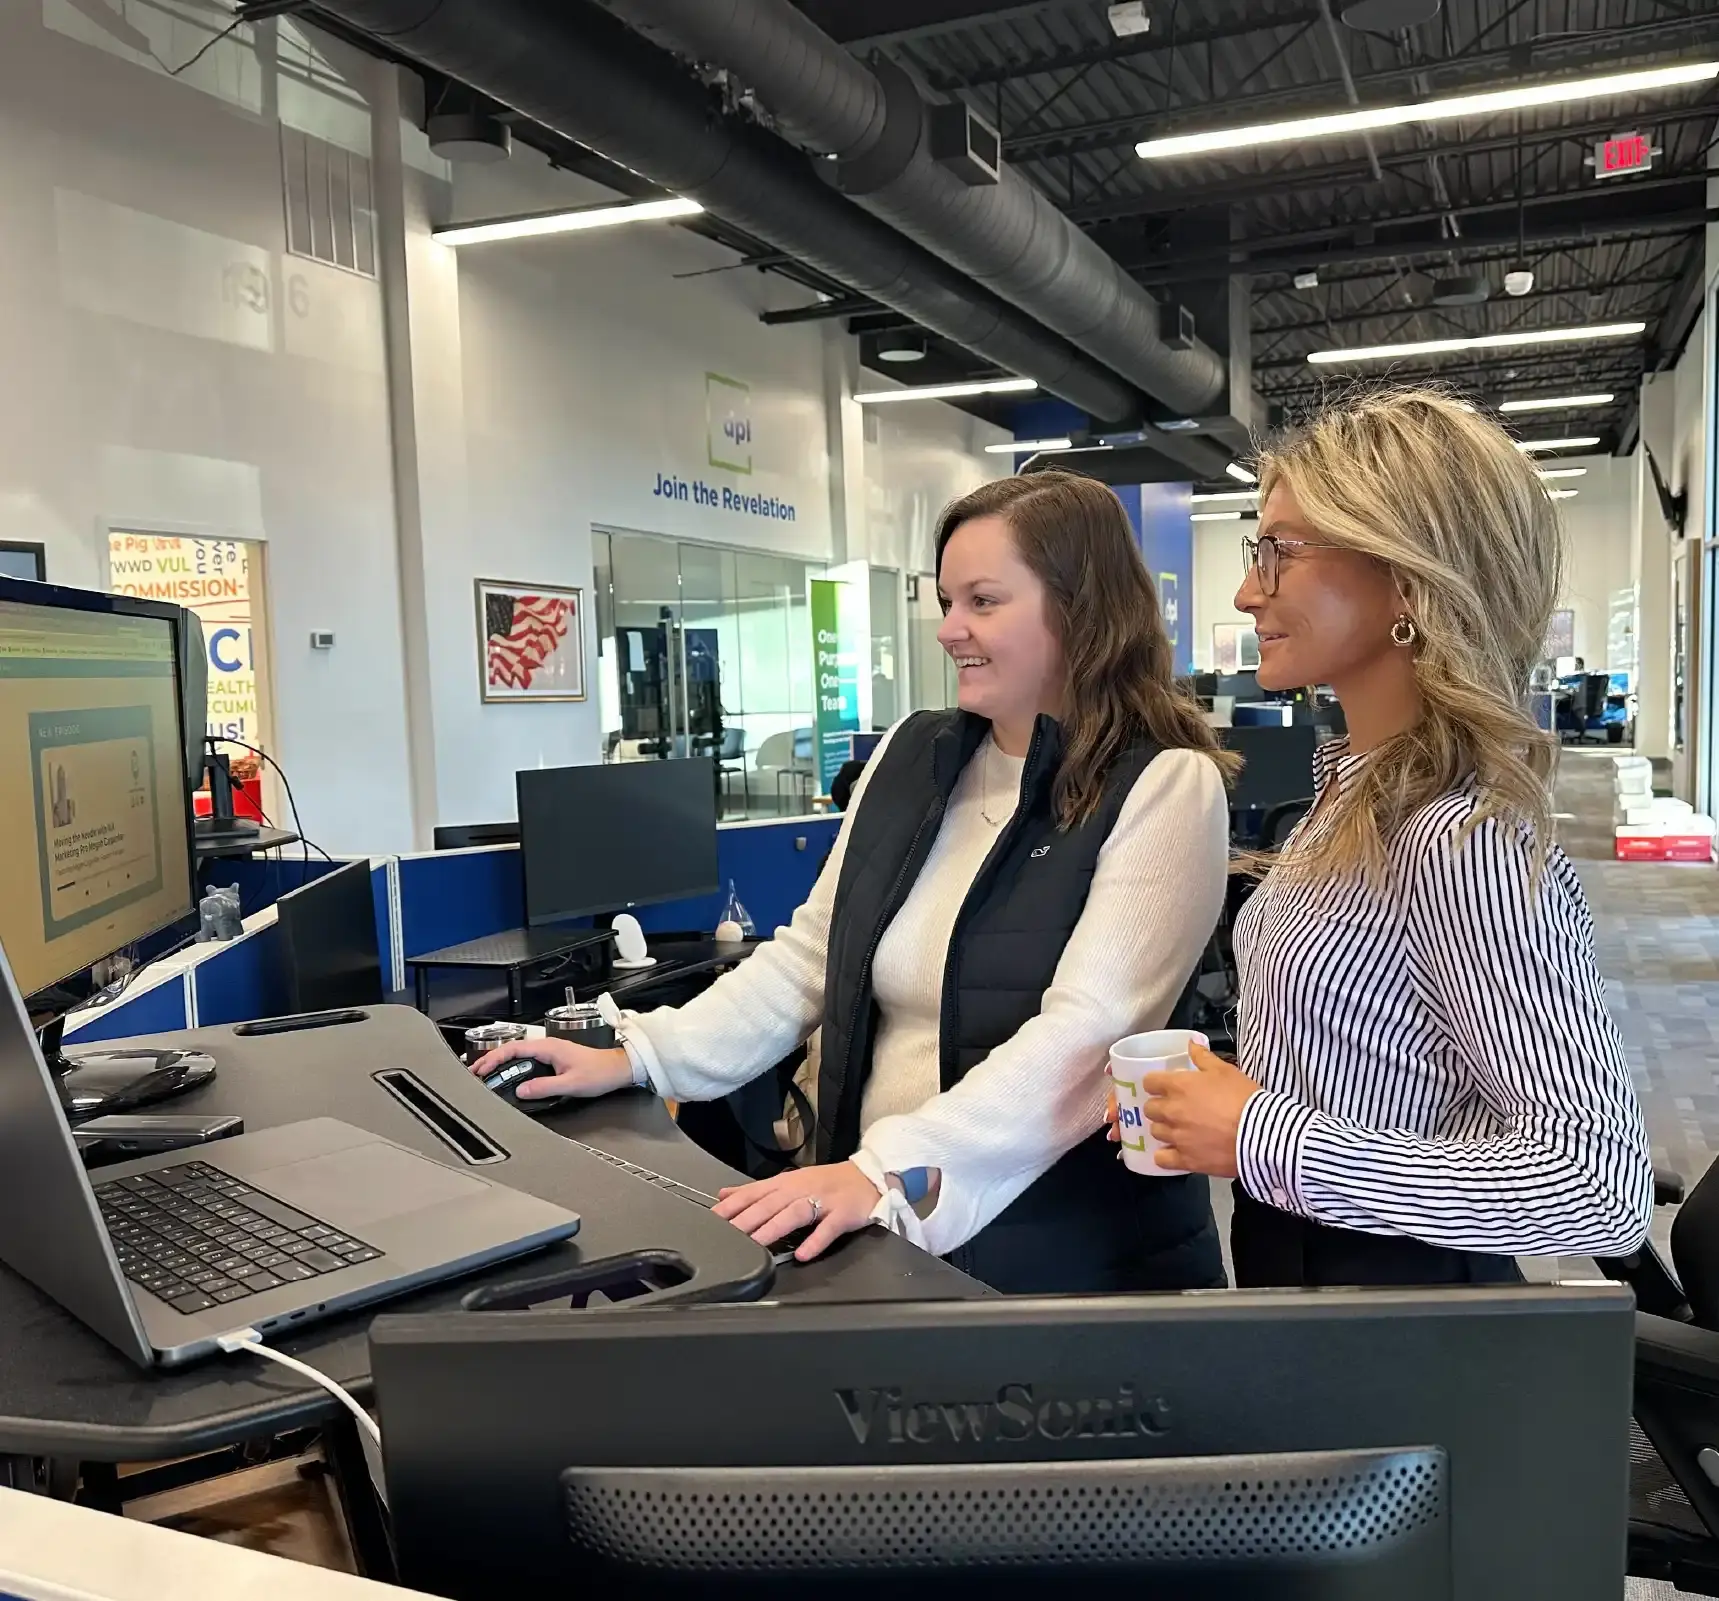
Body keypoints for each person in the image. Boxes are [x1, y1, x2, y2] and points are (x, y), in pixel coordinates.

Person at [473, 470, 1233, 1294]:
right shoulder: (915, 754)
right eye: (944, 601)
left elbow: (1085, 1038)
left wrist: (888, 1170)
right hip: (887, 1225)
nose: (949, 630)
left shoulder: (1163, 786)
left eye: (982, 601)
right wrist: (640, 1051)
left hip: (1063, 1262)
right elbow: (811, 957)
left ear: (1079, 611)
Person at [1113, 389, 1653, 1287]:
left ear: (1404, 577)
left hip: (1398, 1305)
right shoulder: (1352, 798)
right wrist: (1239, 1084)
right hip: (1315, 1269)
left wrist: (1253, 1131)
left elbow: (1594, 1178)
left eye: (1278, 552)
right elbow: (1390, 1063)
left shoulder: (1454, 837)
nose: (1249, 589)